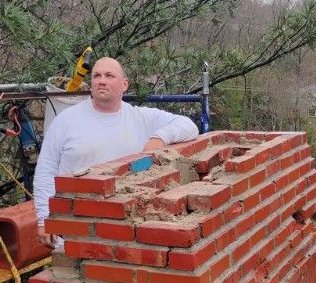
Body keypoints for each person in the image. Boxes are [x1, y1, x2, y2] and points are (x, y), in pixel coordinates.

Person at [34, 57, 198, 247]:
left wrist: (159, 138)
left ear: (124, 84)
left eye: (109, 75)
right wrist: (44, 218)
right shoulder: (66, 120)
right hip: (75, 227)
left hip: (126, 228)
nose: (101, 80)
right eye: (96, 76)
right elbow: (46, 170)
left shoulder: (139, 117)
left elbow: (188, 126)